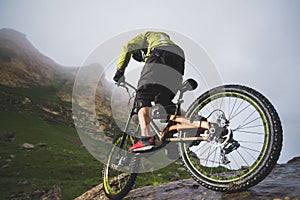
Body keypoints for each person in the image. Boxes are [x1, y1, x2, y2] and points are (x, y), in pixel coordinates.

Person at [113, 31, 185, 152]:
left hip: (160, 54)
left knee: (142, 97)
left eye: (140, 56)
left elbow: (127, 47)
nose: (143, 59)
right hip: (178, 59)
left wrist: (120, 71)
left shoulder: (145, 36)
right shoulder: (165, 39)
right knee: (163, 102)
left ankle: (146, 139)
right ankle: (194, 121)